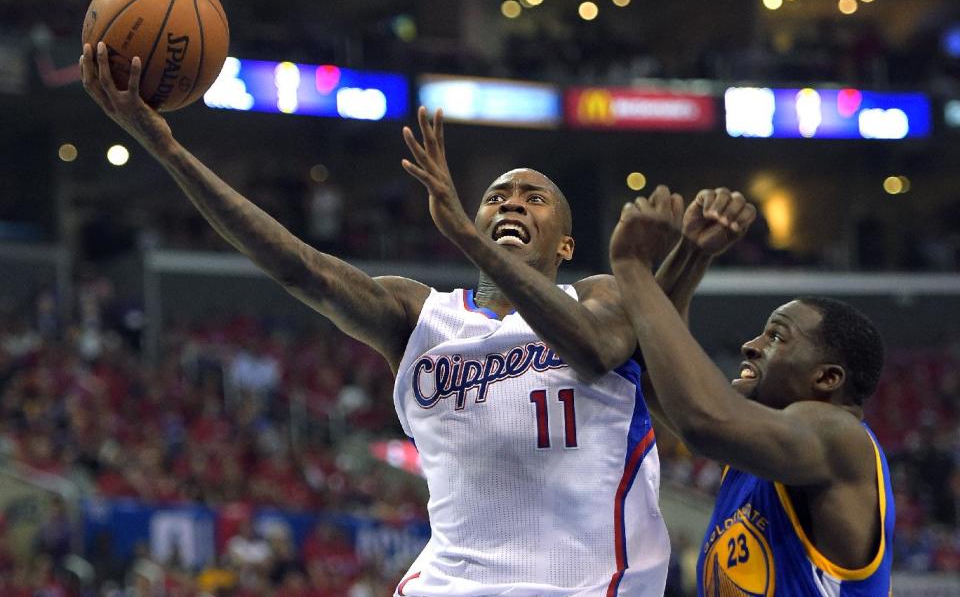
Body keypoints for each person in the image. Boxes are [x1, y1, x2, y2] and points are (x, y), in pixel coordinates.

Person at [80, 42, 731, 596]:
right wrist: (167, 149)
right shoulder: (421, 314)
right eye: (495, 197)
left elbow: (593, 348)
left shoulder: (603, 294)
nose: (510, 204)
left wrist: (467, 240)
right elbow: (298, 267)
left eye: (534, 198)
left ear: (564, 243)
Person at [609, 187, 894, 596]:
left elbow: (703, 419)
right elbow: (653, 376)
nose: (751, 346)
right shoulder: (758, 458)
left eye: (776, 336)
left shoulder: (838, 435)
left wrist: (633, 268)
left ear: (827, 379)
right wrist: (692, 254)